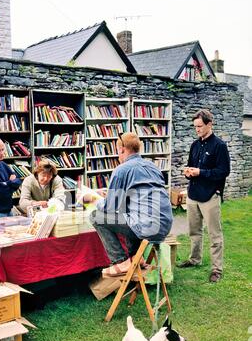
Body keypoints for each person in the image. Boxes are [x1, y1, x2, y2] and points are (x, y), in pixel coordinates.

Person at [89, 132, 173, 277]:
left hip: (146, 227)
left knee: (96, 216)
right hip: (164, 225)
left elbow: (110, 208)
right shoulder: (153, 166)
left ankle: (120, 261)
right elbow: (141, 197)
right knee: (130, 215)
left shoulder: (122, 169)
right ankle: (135, 257)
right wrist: (110, 196)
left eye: (117, 151)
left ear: (122, 149)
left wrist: (94, 199)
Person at [178, 109, 230, 283]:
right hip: (193, 194)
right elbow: (191, 166)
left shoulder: (220, 146)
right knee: (194, 231)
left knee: (215, 234)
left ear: (209, 124)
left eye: (200, 126)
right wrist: (188, 172)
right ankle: (194, 259)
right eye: (195, 127)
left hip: (210, 196)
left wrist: (200, 172)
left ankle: (217, 269)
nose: (197, 129)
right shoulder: (194, 144)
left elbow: (224, 171)